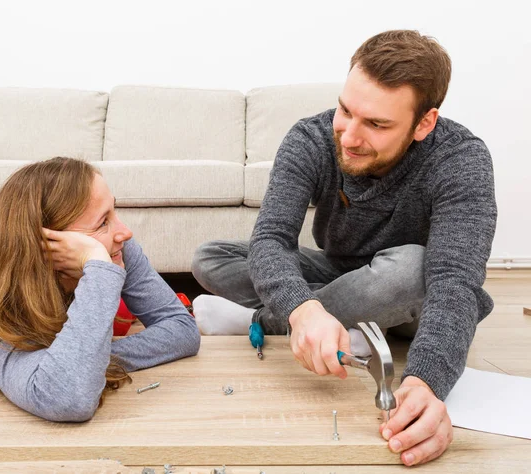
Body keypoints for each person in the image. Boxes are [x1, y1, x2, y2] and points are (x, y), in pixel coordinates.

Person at [191, 30, 496, 466]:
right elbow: (272, 238)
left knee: (411, 268)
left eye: (376, 124)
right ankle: (333, 323)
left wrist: (427, 382)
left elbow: (455, 283)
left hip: (411, 295)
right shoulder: (311, 138)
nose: (349, 136)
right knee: (210, 256)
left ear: (424, 123)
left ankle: (266, 320)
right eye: (346, 110)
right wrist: (305, 310)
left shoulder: (461, 160)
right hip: (336, 269)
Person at [0, 157, 200, 422]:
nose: (125, 232)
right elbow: (65, 398)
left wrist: (82, 361)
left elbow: (182, 329)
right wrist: (99, 269)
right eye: (103, 222)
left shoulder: (114, 245)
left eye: (113, 212)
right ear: (50, 245)